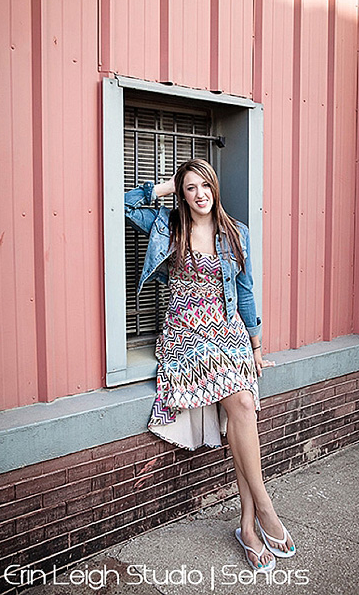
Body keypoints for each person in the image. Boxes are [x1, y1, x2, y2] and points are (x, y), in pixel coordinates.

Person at [124, 158, 294, 574]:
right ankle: (260, 514)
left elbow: (246, 290)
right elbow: (126, 204)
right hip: (186, 334)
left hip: (227, 328)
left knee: (243, 406)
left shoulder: (236, 233)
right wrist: (166, 187)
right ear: (181, 194)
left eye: (205, 186)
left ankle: (248, 526)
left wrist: (255, 345)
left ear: (216, 188)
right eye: (190, 188)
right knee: (243, 405)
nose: (200, 194)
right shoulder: (168, 226)